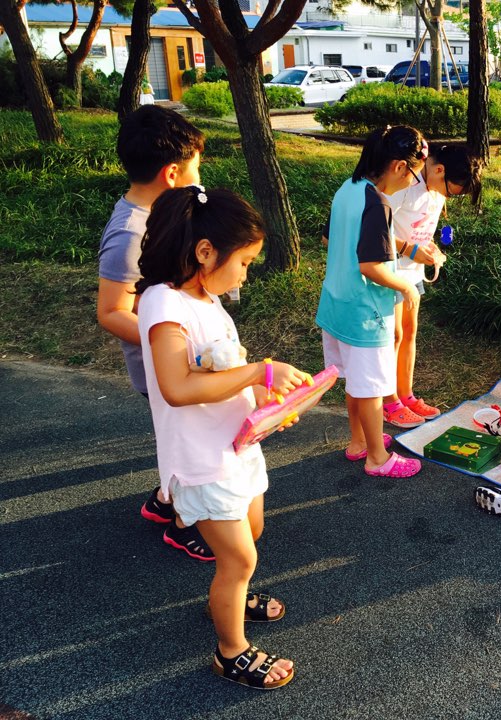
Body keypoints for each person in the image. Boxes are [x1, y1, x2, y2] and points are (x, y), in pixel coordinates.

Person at [136, 187, 310, 690]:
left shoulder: (207, 300)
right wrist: (259, 371)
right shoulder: (164, 304)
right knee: (239, 557)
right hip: (201, 460)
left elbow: (224, 372)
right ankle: (231, 651)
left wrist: (267, 406)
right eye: (245, 262)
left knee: (251, 533)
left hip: (235, 446)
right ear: (205, 251)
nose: (245, 275)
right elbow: (177, 387)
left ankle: (229, 594)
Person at [95, 104, 213, 560]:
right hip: (165, 369)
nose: (200, 177)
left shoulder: (165, 211)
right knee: (190, 442)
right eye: (196, 168)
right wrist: (172, 343)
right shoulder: (130, 233)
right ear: (172, 173)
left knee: (180, 436)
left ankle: (164, 499)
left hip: (184, 361)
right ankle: (185, 523)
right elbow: (111, 312)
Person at [315, 125, 427, 478]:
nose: (412, 181)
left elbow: (329, 240)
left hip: (336, 303)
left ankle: (359, 441)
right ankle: (378, 458)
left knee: (355, 382)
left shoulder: (347, 189)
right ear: (398, 166)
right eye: (414, 174)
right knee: (372, 388)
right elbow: (371, 266)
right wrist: (407, 288)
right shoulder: (377, 203)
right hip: (365, 313)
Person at [381, 143, 483, 428]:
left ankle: (405, 394)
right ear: (438, 169)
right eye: (451, 190)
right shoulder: (404, 184)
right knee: (394, 336)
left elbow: (419, 228)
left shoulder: (435, 190)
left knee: (409, 332)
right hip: (390, 271)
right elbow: (376, 229)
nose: (448, 196)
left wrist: (430, 248)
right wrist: (408, 250)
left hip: (412, 272)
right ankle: (388, 401)